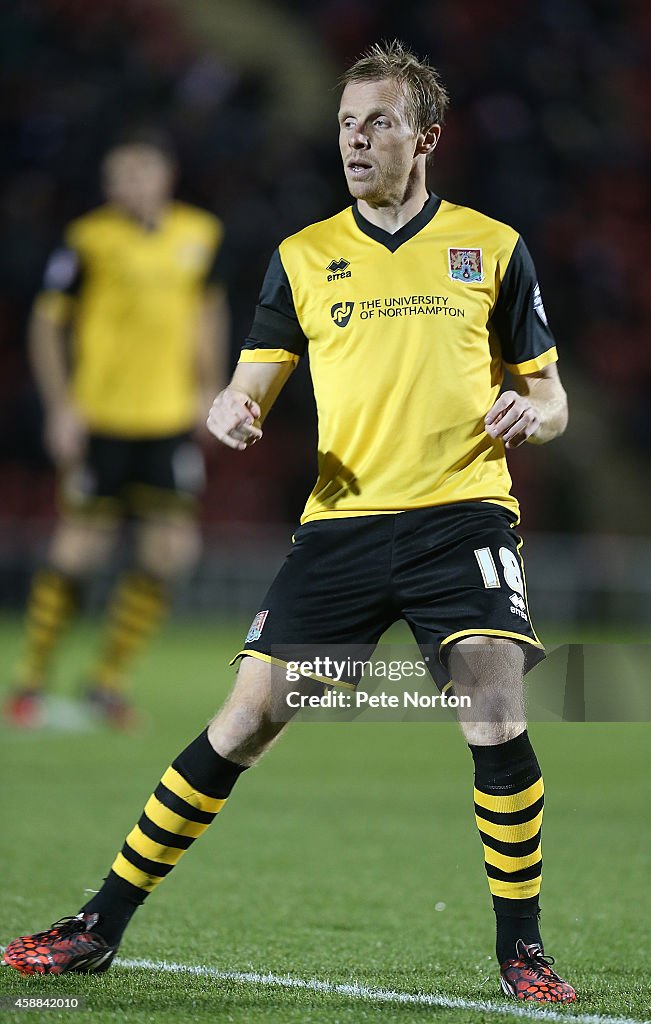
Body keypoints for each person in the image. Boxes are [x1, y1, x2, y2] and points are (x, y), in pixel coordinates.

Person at [3, 43, 576, 1003]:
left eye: (380, 122)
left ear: (426, 137)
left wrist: (535, 414)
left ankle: (521, 950)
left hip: (461, 514)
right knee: (244, 720)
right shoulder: (303, 256)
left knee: (493, 705)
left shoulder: (492, 246)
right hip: (341, 527)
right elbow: (252, 377)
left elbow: (552, 396)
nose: (356, 139)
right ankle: (98, 923)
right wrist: (233, 406)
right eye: (347, 123)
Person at [3, 134, 229, 729]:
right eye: (118, 176)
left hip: (168, 420)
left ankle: (107, 682)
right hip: (101, 419)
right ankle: (29, 682)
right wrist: (61, 407)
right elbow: (47, 325)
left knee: (171, 550)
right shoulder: (87, 240)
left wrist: (214, 389)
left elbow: (208, 313)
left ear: (166, 176)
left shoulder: (199, 235)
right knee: (80, 547)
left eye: (139, 173)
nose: (128, 185)